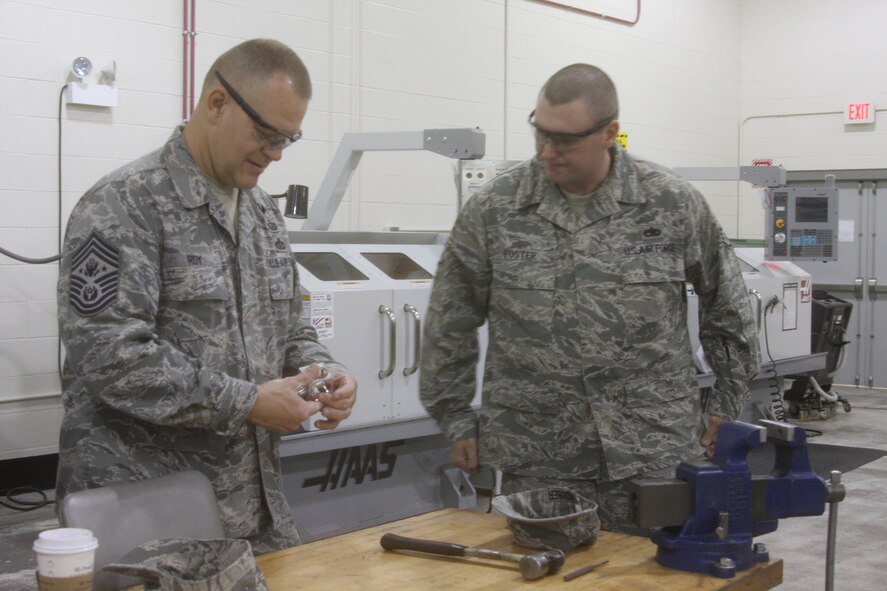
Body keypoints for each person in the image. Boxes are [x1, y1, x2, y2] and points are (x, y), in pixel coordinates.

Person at [419, 63, 760, 532]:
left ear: (609, 134)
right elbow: (449, 320)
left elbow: (729, 308)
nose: (547, 151)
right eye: (539, 133)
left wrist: (726, 401)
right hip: (538, 454)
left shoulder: (671, 204)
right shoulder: (496, 210)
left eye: (564, 139)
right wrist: (455, 417)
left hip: (652, 450)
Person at [55, 39, 357, 553]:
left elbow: (291, 327)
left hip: (249, 509)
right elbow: (110, 357)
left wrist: (325, 374)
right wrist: (246, 402)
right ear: (217, 103)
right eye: (267, 134)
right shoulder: (123, 205)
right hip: (146, 515)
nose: (277, 154)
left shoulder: (263, 215)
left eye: (289, 138)